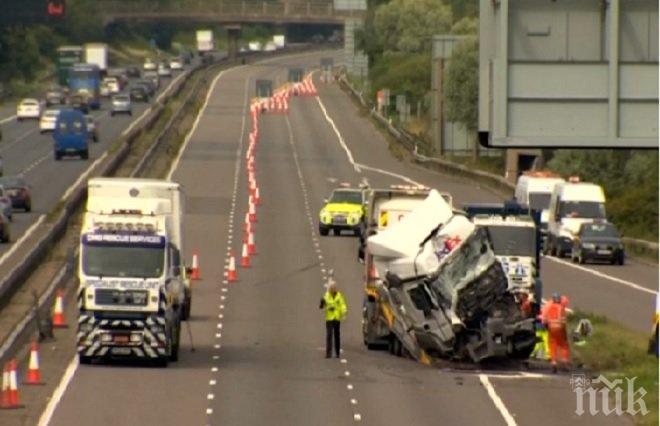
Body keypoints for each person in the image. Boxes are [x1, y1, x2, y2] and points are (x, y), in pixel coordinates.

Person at [542, 292, 570, 372]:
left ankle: (554, 362)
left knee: (552, 346)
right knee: (564, 345)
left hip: (551, 329)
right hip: (560, 329)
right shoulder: (561, 308)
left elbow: (544, 320)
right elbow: (563, 321)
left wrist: (547, 328)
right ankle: (564, 361)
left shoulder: (548, 307)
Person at [319, 280, 347, 358]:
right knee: (329, 335)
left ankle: (337, 352)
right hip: (329, 318)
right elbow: (322, 306)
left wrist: (344, 312)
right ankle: (328, 353)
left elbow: (342, 305)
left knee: (337, 336)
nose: (331, 290)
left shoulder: (339, 295)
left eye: (333, 289)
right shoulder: (327, 295)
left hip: (337, 318)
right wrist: (322, 303)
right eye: (330, 289)